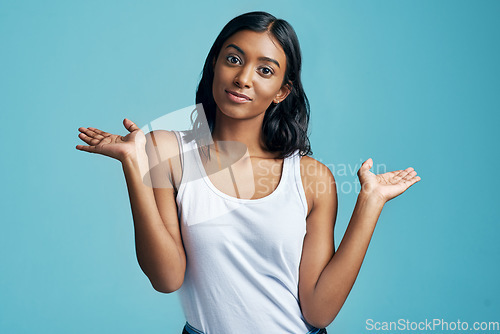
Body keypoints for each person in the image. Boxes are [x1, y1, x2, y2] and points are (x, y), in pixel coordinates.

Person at [76, 11, 421, 334]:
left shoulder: (311, 178)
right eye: (234, 59)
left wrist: (370, 203)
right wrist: (134, 165)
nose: (243, 79)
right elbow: (166, 277)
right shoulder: (167, 151)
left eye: (265, 70)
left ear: (282, 92)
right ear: (215, 65)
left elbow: (318, 311)